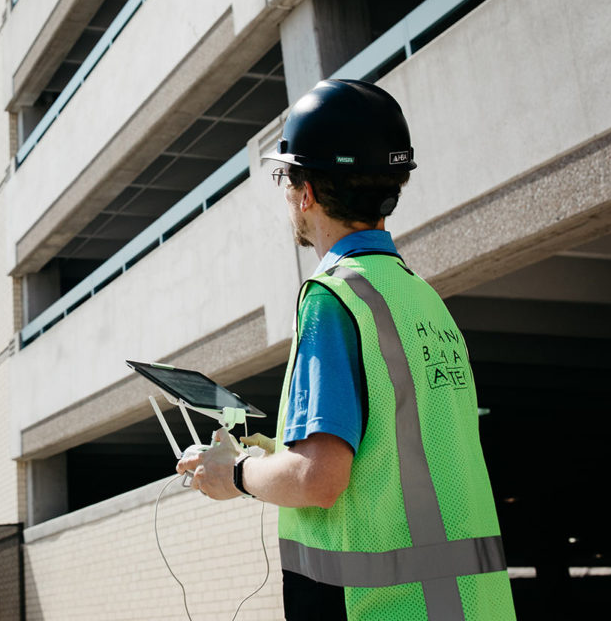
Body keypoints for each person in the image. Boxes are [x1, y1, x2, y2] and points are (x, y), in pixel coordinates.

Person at [177, 80, 514, 620]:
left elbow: (320, 478)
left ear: (306, 191)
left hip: (384, 609)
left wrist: (234, 472)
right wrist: (273, 455)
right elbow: (395, 457)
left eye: (284, 177)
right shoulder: (420, 298)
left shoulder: (333, 298)